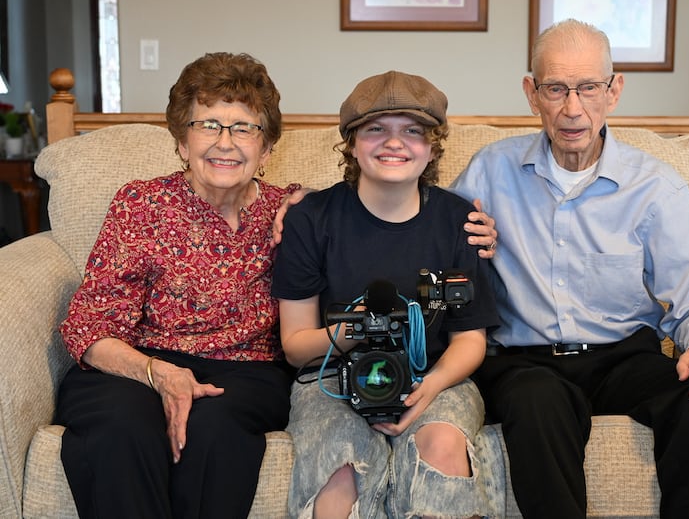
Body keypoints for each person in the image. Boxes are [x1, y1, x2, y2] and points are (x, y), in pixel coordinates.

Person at [450, 19, 689, 519]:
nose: (573, 108)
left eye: (588, 87)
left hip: (624, 357)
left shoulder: (656, 187)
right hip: (526, 361)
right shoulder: (489, 171)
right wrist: (470, 245)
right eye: (556, 89)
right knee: (536, 400)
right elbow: (432, 246)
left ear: (614, 91)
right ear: (532, 94)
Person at [54, 52, 300, 518]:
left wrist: (310, 199)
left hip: (246, 370)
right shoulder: (141, 203)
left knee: (215, 431)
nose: (225, 142)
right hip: (136, 361)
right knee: (121, 427)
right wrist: (157, 373)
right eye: (208, 125)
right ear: (183, 142)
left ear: (266, 149)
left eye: (243, 128)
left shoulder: (291, 212)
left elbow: (364, 213)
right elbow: (90, 325)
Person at [271, 70, 500, 519]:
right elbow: (296, 346)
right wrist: (354, 331)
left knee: (442, 445)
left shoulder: (460, 221)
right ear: (352, 143)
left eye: (412, 131)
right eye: (376, 129)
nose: (394, 143)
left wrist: (430, 387)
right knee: (340, 465)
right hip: (330, 377)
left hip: (433, 372)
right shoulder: (312, 219)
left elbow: (470, 340)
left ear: (432, 146)